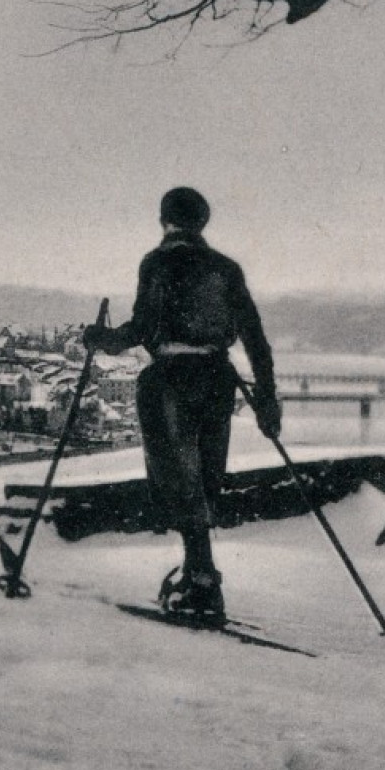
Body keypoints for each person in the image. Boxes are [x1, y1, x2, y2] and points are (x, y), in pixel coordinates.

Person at [84, 187, 280, 619]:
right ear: (203, 223)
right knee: (205, 478)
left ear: (164, 220)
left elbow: (141, 327)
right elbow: (255, 337)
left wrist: (102, 340)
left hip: (169, 380)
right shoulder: (226, 269)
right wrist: (267, 399)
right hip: (216, 380)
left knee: (178, 478)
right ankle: (198, 574)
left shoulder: (157, 262)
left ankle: (203, 580)